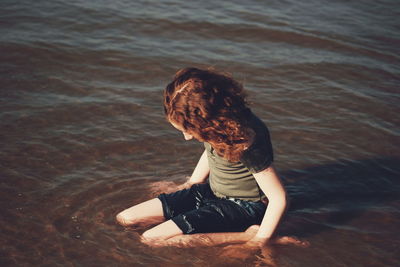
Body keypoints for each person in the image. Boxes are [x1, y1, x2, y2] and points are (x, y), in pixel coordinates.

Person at [116, 67, 290, 249]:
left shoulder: (245, 138)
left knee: (151, 238)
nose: (187, 137)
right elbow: (212, 152)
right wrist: (192, 182)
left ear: (207, 122)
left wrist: (260, 240)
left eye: (188, 131)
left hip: (243, 207)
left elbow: (279, 198)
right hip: (212, 192)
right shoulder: (220, 122)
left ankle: (246, 235)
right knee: (126, 219)